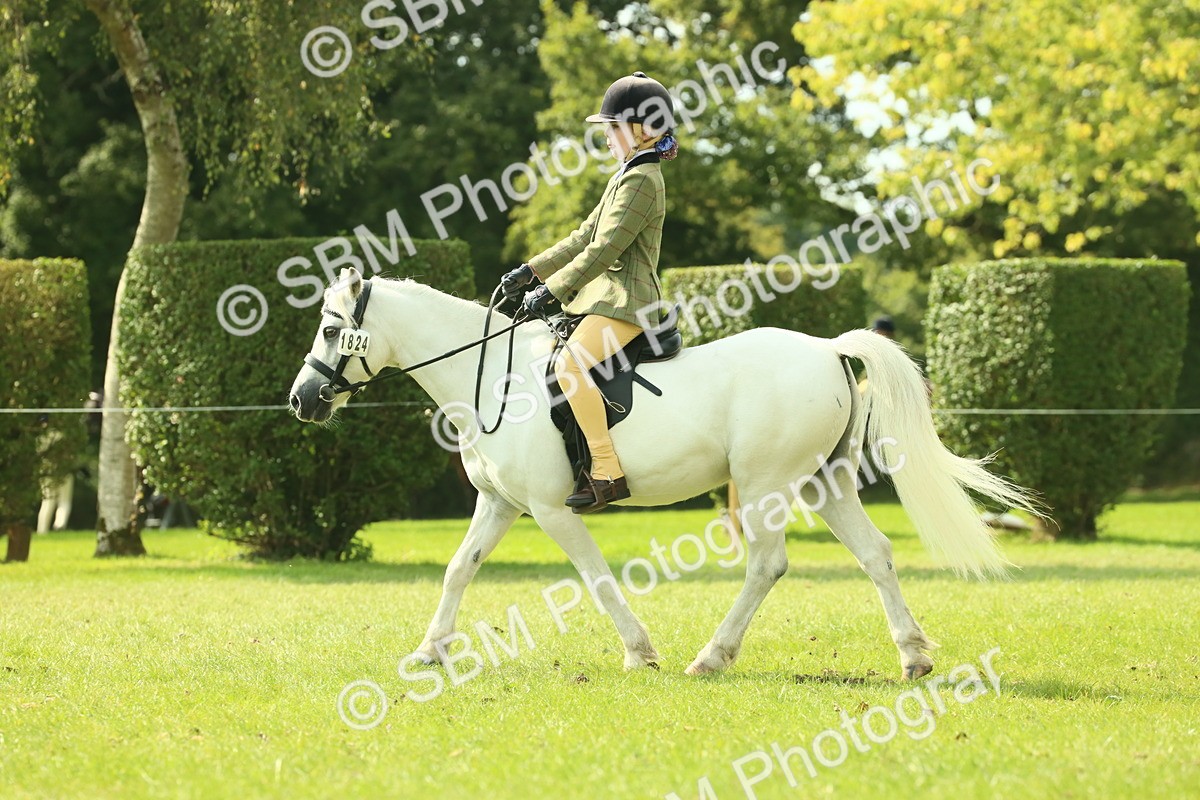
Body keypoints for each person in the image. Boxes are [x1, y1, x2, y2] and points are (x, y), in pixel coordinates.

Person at [500, 71, 678, 513]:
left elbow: (605, 249)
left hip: (628, 301)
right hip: (605, 298)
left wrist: (552, 290)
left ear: (641, 130)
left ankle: (606, 469)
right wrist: (530, 270)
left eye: (611, 128)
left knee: (570, 366)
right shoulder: (626, 173)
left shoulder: (642, 180)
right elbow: (583, 236)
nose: (605, 138)